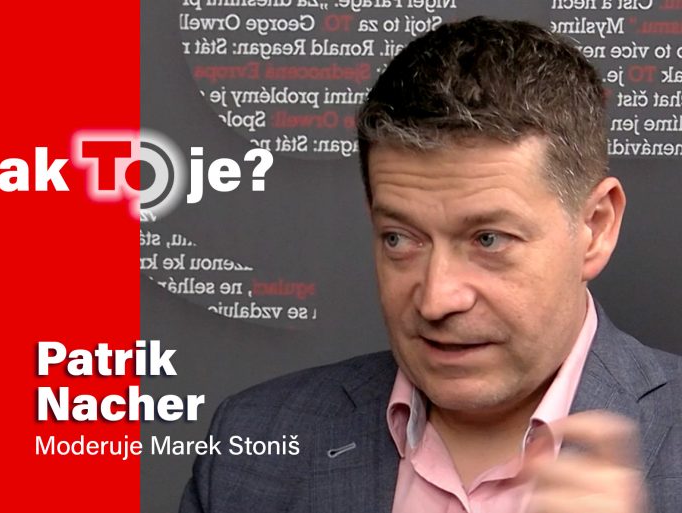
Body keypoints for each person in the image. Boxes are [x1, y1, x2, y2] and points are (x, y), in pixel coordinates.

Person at [179, 17, 681, 513]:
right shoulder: (252, 445)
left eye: (488, 239)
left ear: (595, 227)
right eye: (400, 238)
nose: (436, 299)